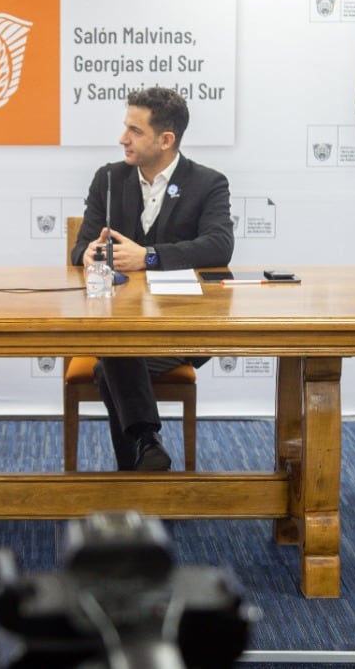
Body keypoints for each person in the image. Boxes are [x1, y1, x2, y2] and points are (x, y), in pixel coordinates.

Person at [69, 87, 233, 471]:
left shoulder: (208, 184)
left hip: (184, 327)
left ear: (166, 140)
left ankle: (138, 465)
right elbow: (79, 250)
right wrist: (90, 253)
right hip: (121, 322)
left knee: (110, 356)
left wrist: (150, 257)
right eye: (125, 127)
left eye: (134, 130)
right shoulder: (108, 179)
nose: (122, 138)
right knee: (113, 350)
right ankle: (146, 450)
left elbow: (219, 245)